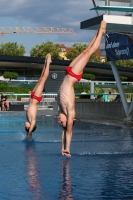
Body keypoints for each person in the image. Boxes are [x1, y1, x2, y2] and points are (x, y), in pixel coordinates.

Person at [57, 20, 106, 157]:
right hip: (73, 75)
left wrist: (61, 147)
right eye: (61, 121)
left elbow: (63, 132)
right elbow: (68, 132)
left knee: (85, 51)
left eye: (59, 121)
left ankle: (97, 32)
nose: (59, 120)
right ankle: (101, 32)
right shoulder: (69, 113)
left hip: (68, 72)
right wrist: (67, 148)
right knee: (89, 53)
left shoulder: (61, 110)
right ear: (68, 121)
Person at [25, 53, 52, 137]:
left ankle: (45, 62)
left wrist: (27, 134)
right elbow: (33, 124)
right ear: (29, 127)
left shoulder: (28, 119)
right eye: (26, 127)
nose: (24, 126)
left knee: (40, 78)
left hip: (33, 96)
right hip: (36, 98)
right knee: (43, 79)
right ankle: (48, 63)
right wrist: (29, 133)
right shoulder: (32, 120)